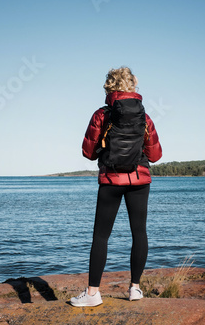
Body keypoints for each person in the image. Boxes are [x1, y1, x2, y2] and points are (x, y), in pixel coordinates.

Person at [70, 67, 162, 307]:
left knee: (101, 236)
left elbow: (87, 152)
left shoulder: (102, 115)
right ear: (133, 87)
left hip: (111, 180)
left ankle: (92, 294)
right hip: (140, 180)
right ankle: (135, 289)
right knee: (139, 233)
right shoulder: (145, 117)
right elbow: (155, 155)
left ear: (110, 87)